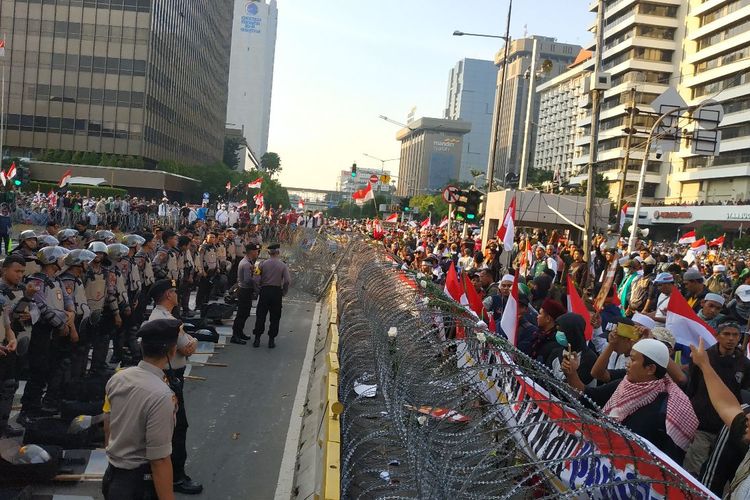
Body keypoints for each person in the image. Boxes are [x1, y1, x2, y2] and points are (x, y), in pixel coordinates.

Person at [580, 339, 698, 462]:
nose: (628, 364)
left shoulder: (667, 410)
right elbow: (590, 397)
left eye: (633, 359)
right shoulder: (624, 385)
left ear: (650, 369)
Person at [102, 319, 180, 500]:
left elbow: (108, 424)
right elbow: (159, 460)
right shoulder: (161, 395)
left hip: (113, 476)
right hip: (138, 485)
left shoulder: (119, 378)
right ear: (172, 351)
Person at [144, 279, 201, 494]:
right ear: (168, 295)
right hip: (170, 377)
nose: (177, 294)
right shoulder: (167, 321)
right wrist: (193, 341)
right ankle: (176, 477)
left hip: (165, 375)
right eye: (174, 291)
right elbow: (187, 347)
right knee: (178, 426)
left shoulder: (160, 318)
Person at [683, 322, 750, 477]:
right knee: (693, 470)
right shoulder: (704, 358)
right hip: (703, 425)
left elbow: (744, 394)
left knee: (716, 473)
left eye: (735, 335)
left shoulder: (745, 364)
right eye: (727, 334)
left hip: (728, 428)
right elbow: (692, 388)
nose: (731, 339)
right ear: (717, 336)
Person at [252, 243, 291, 348]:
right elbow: (287, 280)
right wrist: (284, 292)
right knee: (275, 317)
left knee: (261, 315)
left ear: (268, 253)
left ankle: (257, 339)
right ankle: (271, 340)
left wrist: (258, 289)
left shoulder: (262, 264)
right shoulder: (283, 265)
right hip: (276, 292)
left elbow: (255, 278)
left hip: (265, 291)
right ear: (278, 253)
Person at [231, 243, 261, 345]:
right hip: (244, 291)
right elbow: (248, 280)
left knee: (245, 313)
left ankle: (240, 332)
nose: (257, 253)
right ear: (252, 252)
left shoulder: (247, 261)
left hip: (244, 290)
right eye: (256, 251)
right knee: (242, 314)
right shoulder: (246, 264)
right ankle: (235, 335)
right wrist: (257, 279)